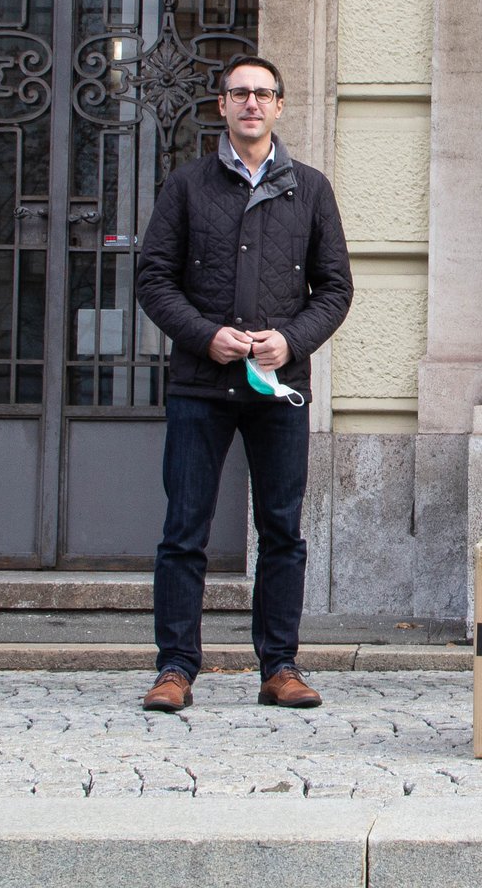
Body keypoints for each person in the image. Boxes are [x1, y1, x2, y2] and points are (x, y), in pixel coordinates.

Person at [135, 54, 352, 713]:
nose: (252, 104)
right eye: (240, 94)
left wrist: (291, 339)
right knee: (184, 529)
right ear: (222, 106)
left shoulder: (310, 189)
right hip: (201, 385)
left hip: (278, 389)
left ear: (280, 106)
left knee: (282, 530)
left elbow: (336, 289)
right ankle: (175, 668)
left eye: (263, 94)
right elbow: (153, 280)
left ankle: (279, 667)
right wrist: (205, 335)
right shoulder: (187, 186)